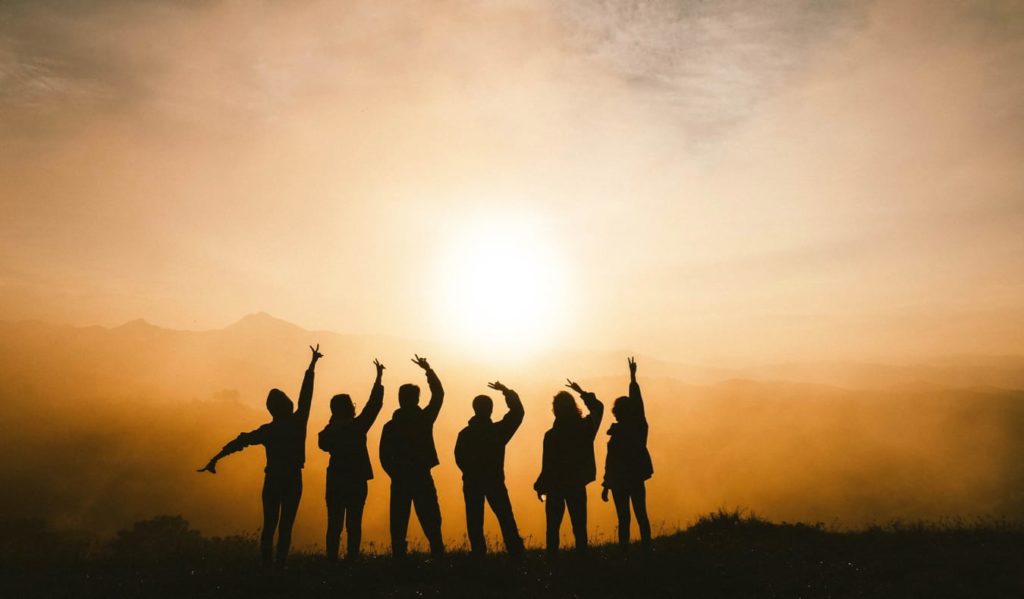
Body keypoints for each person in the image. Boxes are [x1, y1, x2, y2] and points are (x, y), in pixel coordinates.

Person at [198, 344, 323, 567]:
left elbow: (240, 441)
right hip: (293, 478)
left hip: (273, 479)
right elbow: (307, 395)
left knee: (269, 525)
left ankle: (267, 567)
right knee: (286, 526)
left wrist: (215, 458)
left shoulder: (267, 431)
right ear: (287, 405)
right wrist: (312, 366)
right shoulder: (297, 422)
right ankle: (280, 566)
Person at [318, 358, 385, 561]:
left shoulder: (328, 432)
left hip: (336, 479)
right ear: (350, 408)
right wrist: (379, 378)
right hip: (356, 479)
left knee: (334, 523)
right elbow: (374, 406)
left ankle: (331, 560)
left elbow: (322, 445)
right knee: (354, 523)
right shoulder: (357, 427)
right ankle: (352, 559)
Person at [379, 354, 445, 557]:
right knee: (430, 518)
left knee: (398, 520)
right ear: (416, 399)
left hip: (400, 478)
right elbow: (439, 395)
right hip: (421, 475)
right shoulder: (424, 419)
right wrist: (428, 370)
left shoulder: (391, 426)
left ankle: (399, 557)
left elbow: (383, 455)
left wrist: (395, 472)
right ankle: (437, 553)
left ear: (400, 399)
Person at [454, 381, 525, 557]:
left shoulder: (465, 434)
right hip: (494, 481)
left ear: (474, 409)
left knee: (474, 521)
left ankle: (478, 554)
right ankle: (516, 552)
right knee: (505, 518)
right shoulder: (498, 432)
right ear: (490, 410)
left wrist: (471, 472)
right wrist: (506, 392)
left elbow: (459, 458)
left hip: (472, 482)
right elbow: (518, 413)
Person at [534, 379, 604, 555]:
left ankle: (552, 563)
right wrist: (582, 392)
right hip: (576, 483)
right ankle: (582, 563)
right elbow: (598, 409)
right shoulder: (585, 428)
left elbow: (547, 464)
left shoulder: (550, 436)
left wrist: (541, 485)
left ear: (555, 410)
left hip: (555, 486)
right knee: (580, 527)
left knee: (552, 529)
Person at [601, 357, 653, 551]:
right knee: (640, 514)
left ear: (616, 413)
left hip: (619, 482)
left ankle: (625, 552)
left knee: (624, 519)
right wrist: (632, 378)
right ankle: (647, 549)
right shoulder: (639, 428)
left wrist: (606, 485)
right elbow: (639, 406)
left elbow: (610, 462)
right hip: (634, 478)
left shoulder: (622, 432)